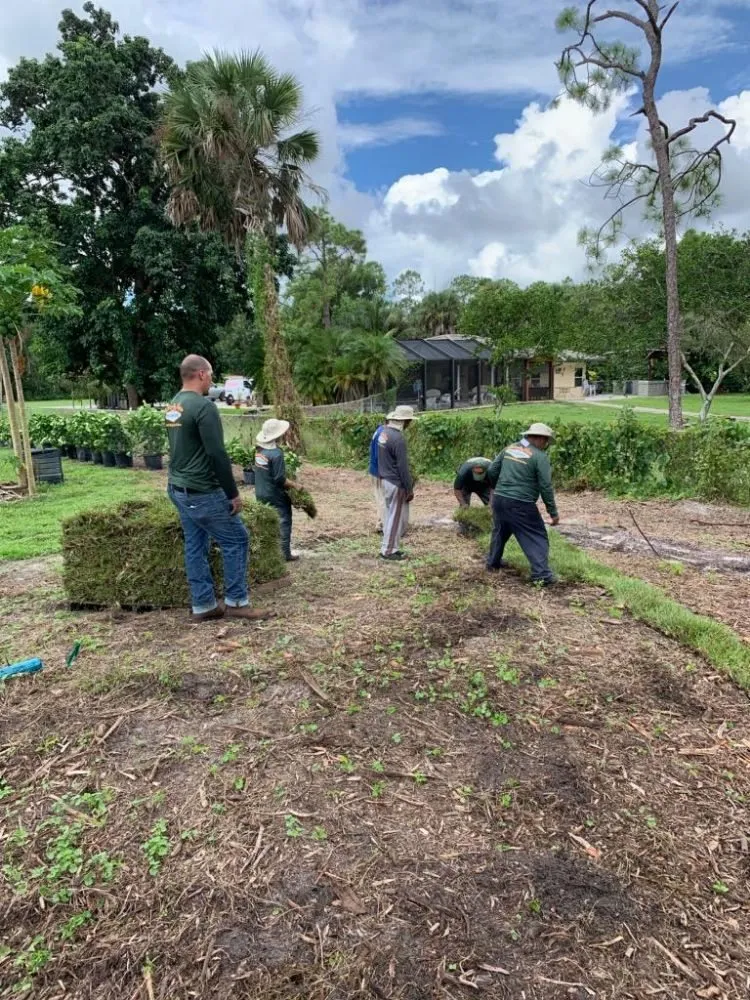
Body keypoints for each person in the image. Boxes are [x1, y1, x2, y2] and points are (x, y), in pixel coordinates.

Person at [166, 354, 267, 622]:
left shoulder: (173, 405)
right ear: (201, 374)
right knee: (237, 538)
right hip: (201, 490)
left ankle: (203, 604)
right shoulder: (203, 407)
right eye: (210, 374)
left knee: (195, 543)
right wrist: (233, 493)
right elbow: (217, 454)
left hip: (178, 487)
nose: (212, 379)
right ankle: (236, 601)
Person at [486, 423, 560, 585]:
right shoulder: (540, 457)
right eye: (546, 441)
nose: (546, 445)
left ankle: (492, 562)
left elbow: (491, 471)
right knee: (536, 535)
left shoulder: (509, 448)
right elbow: (545, 486)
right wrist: (553, 513)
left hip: (499, 498)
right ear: (540, 438)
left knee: (500, 530)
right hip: (521, 503)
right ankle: (542, 575)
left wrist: (498, 488)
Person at [254, 418, 300, 563]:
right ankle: (285, 553)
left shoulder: (259, 451)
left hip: (260, 492)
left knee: (267, 521)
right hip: (275, 495)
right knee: (284, 520)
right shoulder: (276, 453)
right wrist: (296, 486)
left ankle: (267, 552)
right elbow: (280, 479)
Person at [377, 405, 415, 561]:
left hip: (385, 479)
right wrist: (409, 488)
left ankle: (391, 547)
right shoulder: (398, 438)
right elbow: (402, 467)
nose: (410, 424)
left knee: (390, 516)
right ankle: (388, 551)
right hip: (395, 483)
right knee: (395, 518)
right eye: (409, 421)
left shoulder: (384, 433)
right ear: (404, 421)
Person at [369, 421, 385, 532]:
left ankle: (381, 522)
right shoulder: (383, 434)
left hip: (374, 470)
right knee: (383, 499)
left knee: (380, 498)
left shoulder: (378, 431)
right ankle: (382, 524)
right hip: (379, 471)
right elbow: (380, 455)